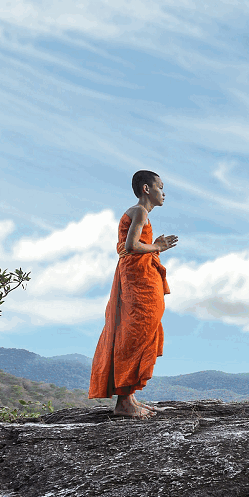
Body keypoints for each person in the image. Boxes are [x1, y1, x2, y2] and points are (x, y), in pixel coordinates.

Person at [89, 170, 178, 417]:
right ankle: (124, 403)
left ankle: (130, 397)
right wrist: (157, 246)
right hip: (137, 281)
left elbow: (135, 244)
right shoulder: (139, 211)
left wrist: (154, 246)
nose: (164, 192)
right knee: (135, 332)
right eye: (160, 187)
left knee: (139, 331)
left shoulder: (142, 214)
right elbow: (131, 246)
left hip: (139, 277)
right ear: (147, 189)